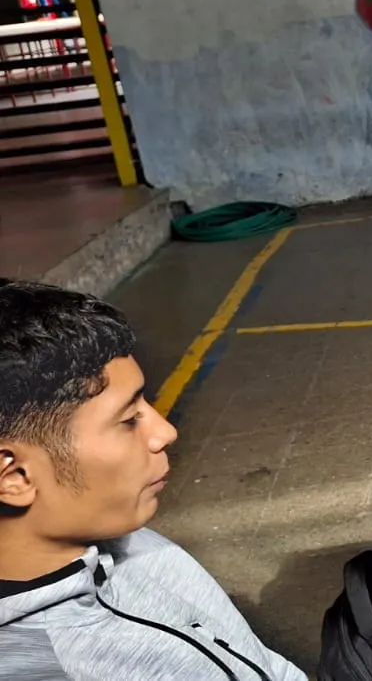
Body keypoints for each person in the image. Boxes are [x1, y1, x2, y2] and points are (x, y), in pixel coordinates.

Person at [0, 280, 304, 680]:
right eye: (129, 419)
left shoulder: (119, 533)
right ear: (15, 476)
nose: (165, 433)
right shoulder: (59, 666)